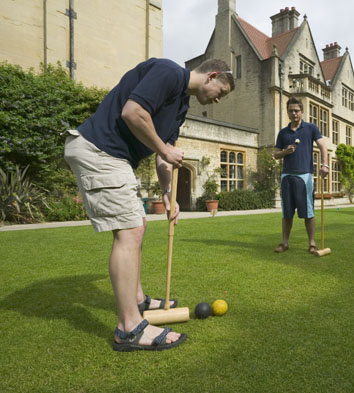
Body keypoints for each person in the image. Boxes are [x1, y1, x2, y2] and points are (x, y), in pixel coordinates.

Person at [64, 58, 235, 351]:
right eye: (222, 91)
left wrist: (168, 191)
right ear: (212, 75)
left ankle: (139, 300)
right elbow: (133, 113)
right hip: (99, 150)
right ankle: (128, 328)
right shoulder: (169, 72)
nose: (219, 99)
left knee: (137, 225)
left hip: (113, 156)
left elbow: (162, 155)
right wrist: (165, 149)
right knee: (129, 232)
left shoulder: (181, 106)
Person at [272, 97, 329, 254]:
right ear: (288, 112)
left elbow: (323, 146)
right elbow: (275, 155)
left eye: (297, 110)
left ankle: (312, 244)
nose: (294, 113)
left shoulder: (311, 128)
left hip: (305, 176)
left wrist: (325, 165)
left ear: (302, 112)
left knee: (308, 212)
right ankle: (284, 243)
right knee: (287, 212)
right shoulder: (283, 133)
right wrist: (285, 152)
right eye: (291, 111)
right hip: (286, 176)